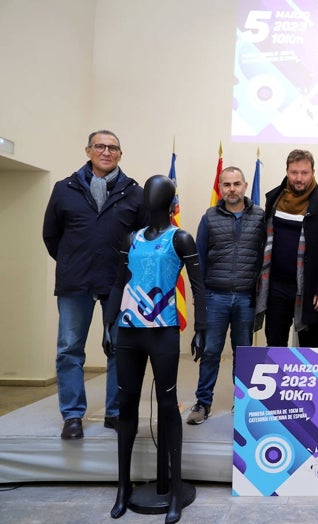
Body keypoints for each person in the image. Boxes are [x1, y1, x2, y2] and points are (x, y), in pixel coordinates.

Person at [103, 175, 206, 523]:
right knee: (126, 406)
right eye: (148, 189)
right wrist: (107, 324)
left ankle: (175, 490)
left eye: (156, 190)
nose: (150, 194)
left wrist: (201, 329)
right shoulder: (130, 238)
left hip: (162, 332)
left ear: (168, 198)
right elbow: (119, 282)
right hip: (129, 331)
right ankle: (122, 487)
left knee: (167, 405)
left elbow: (198, 287)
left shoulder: (180, 238)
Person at [42, 130, 147, 440]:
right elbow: (52, 236)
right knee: (70, 350)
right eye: (100, 146)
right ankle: (73, 416)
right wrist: (72, 260)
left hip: (120, 283)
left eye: (113, 147)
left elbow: (142, 239)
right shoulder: (65, 189)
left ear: (120, 154)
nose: (106, 152)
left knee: (121, 349)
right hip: (76, 282)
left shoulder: (134, 193)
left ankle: (115, 413)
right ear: (88, 150)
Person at [186, 166, 266, 425]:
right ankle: (202, 403)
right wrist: (202, 299)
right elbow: (198, 260)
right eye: (227, 185)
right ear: (221, 188)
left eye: (236, 184)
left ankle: (242, 403)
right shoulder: (209, 217)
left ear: (244, 186)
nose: (232, 189)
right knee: (210, 352)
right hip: (215, 297)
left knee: (243, 353)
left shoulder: (260, 217)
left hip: (245, 298)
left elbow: (265, 257)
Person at [255, 149, 318, 348]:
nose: (299, 178)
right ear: (287, 171)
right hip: (276, 286)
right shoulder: (274, 199)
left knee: (309, 345)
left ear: (313, 172)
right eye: (294, 172)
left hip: (310, 288)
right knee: (275, 342)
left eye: (304, 173)